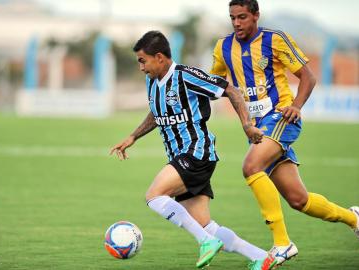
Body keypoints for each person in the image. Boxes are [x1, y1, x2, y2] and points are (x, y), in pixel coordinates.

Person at [210, 0, 359, 266]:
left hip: (281, 116)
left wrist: (296, 105)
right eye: (232, 17)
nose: (236, 23)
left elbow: (308, 76)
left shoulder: (275, 40)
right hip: (258, 129)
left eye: (242, 17)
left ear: (256, 15)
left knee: (251, 165)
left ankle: (283, 243)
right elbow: (215, 83)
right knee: (298, 200)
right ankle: (354, 218)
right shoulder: (223, 47)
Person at [110, 31, 276, 270]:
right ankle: (261, 257)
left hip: (197, 152)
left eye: (142, 61)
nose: (141, 67)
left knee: (154, 196)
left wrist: (247, 125)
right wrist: (133, 136)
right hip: (181, 157)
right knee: (206, 225)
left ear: (159, 57)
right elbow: (158, 112)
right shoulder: (152, 81)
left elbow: (231, 90)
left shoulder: (186, 76)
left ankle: (206, 242)